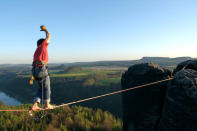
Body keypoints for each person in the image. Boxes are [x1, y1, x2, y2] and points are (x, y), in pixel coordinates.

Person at [29, 25, 55, 111]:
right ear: (42, 43)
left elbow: (34, 65)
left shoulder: (36, 52)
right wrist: (45, 29)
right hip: (41, 70)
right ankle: (47, 105)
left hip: (35, 71)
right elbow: (48, 36)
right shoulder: (43, 46)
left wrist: (32, 77)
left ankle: (35, 104)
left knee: (41, 89)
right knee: (47, 88)